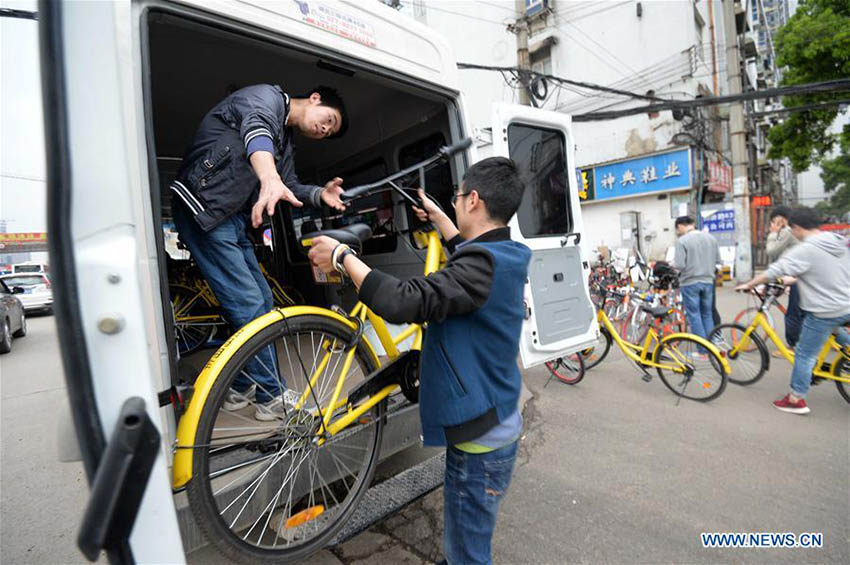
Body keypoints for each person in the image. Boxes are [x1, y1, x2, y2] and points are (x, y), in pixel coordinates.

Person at [308, 157, 530, 565]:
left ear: (474, 200)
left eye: (458, 196)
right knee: (464, 535)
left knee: (467, 552)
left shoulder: (481, 266)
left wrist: (343, 257)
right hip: (491, 427)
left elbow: (402, 300)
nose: (456, 202)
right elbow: (469, 254)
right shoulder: (506, 253)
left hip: (481, 446)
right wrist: (442, 218)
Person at [171, 84, 348, 420]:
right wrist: (268, 177)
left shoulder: (285, 142)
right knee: (249, 303)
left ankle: (239, 388)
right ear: (314, 99)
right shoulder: (265, 98)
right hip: (202, 208)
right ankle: (271, 396)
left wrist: (318, 194)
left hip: (231, 217)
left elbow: (291, 183)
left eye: (329, 132)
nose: (324, 129)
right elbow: (257, 128)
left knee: (263, 300)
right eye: (328, 119)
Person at [736, 207, 850, 415]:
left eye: (792, 229)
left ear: (797, 228)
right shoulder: (837, 241)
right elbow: (819, 271)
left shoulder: (807, 248)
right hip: (846, 304)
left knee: (804, 354)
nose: (792, 233)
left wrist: (749, 284)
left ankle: (796, 399)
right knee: (836, 332)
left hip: (824, 309)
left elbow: (774, 270)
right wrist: (791, 279)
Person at [672, 216, 720, 341]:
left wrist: (671, 264)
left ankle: (703, 351)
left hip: (690, 282)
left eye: (677, 229)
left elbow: (680, 265)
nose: (677, 233)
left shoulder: (682, 241)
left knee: (694, 316)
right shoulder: (711, 239)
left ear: (680, 226)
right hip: (708, 282)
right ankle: (711, 348)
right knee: (707, 315)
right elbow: (718, 261)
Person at [765, 206, 803, 349]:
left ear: (781, 219)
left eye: (774, 221)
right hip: (798, 276)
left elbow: (772, 251)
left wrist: (773, 234)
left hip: (797, 278)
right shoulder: (797, 230)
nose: (772, 225)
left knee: (793, 315)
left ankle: (793, 347)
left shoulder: (787, 232)